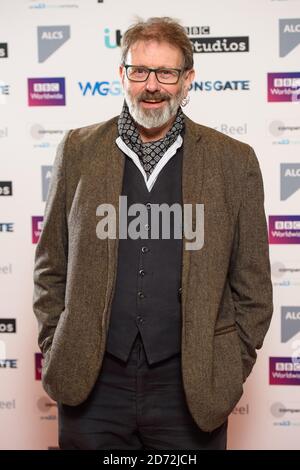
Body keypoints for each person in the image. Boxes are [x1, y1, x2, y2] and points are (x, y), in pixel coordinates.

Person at [33, 17, 273, 450]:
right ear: (121, 74)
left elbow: (253, 285)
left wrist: (226, 367)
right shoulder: (78, 150)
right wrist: (57, 341)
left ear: (187, 80)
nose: (152, 86)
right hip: (93, 384)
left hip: (191, 388)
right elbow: (52, 265)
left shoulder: (233, 161)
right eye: (140, 71)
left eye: (167, 73)